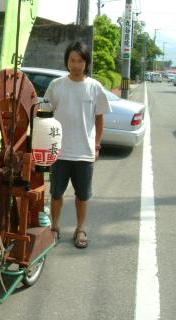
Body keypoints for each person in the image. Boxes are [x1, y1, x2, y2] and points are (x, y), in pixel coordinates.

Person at [44, 41, 111, 249]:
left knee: (83, 196)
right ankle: (55, 227)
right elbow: (45, 114)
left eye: (80, 61)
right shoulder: (57, 85)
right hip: (59, 152)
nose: (76, 65)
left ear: (86, 62)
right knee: (56, 194)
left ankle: (80, 229)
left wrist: (97, 145)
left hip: (84, 152)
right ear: (67, 62)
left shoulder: (95, 87)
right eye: (72, 60)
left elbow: (99, 118)